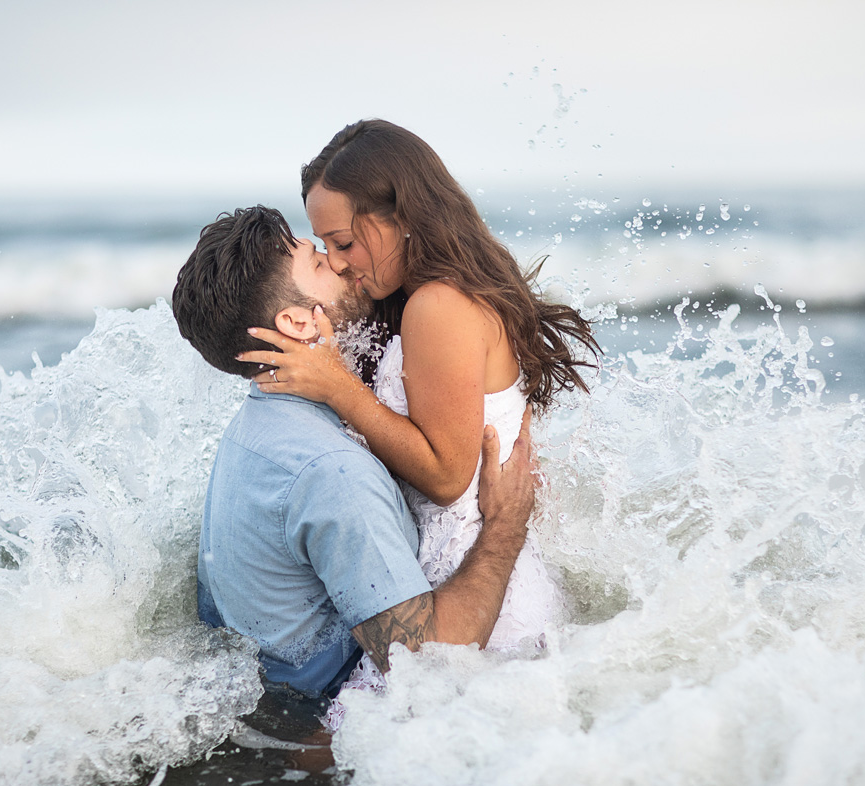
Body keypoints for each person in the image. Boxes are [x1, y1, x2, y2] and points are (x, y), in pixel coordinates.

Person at [236, 121, 600, 712]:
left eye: (344, 243)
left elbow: (447, 474)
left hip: (476, 592)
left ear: (400, 216)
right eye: (323, 246)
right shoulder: (425, 297)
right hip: (457, 577)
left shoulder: (439, 305)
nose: (337, 261)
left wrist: (339, 390)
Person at [171, 204, 540, 700]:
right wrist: (505, 526)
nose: (339, 262)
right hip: (324, 734)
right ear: (298, 322)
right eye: (320, 262)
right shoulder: (332, 471)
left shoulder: (253, 430)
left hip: (271, 710)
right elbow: (425, 666)